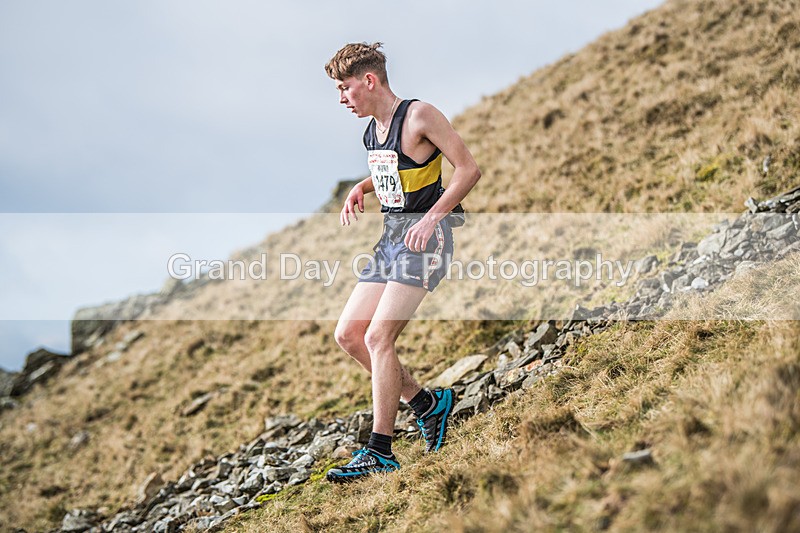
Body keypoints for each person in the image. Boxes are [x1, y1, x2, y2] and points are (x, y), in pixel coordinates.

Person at [323, 42, 481, 483]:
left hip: (426, 240)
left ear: (369, 81)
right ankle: (428, 405)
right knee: (350, 335)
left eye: (345, 88)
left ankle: (380, 450)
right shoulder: (373, 131)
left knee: (378, 336)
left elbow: (468, 170)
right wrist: (362, 186)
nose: (341, 98)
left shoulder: (420, 115)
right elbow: (398, 169)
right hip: (391, 240)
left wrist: (433, 220)